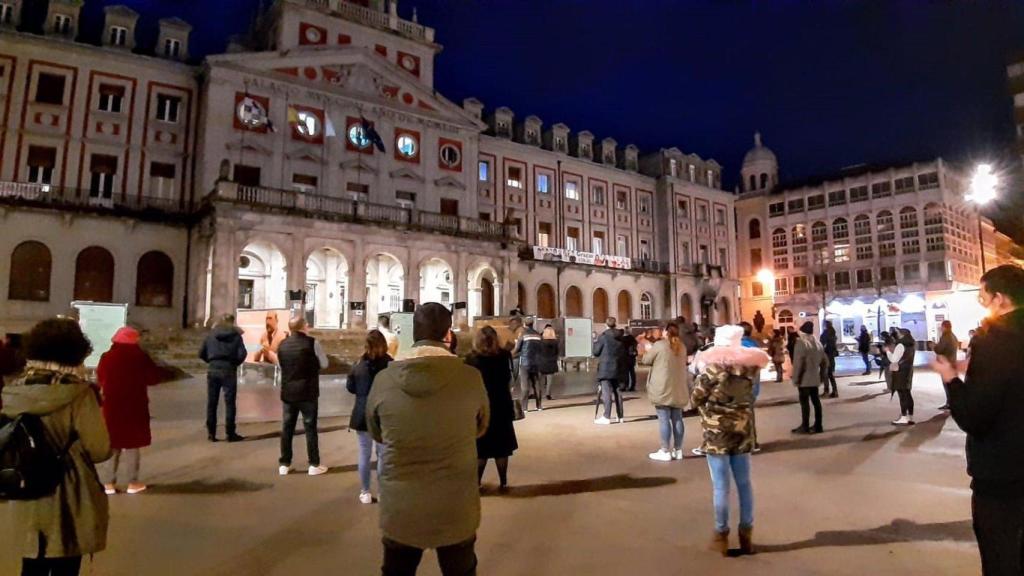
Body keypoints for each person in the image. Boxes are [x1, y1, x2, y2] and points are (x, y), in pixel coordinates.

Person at [367, 302, 489, 576]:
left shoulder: (385, 380)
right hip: (455, 501)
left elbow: (377, 432)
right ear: (448, 334)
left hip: (401, 503)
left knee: (397, 570)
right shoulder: (470, 378)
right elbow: (481, 427)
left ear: (414, 332)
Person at [2, 318, 112, 576]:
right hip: (69, 492)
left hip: (25, 486)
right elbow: (99, 448)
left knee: (32, 562)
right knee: (65, 563)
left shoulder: (14, 390)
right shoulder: (79, 394)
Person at [933, 265, 1024, 576]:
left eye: (983, 298)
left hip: (1003, 474)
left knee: (1002, 557)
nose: (982, 304)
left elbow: (974, 416)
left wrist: (951, 379)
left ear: (1000, 299)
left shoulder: (993, 341)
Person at [690, 324, 769, 557]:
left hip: (717, 433)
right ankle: (746, 536)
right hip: (743, 430)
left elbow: (695, 398)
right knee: (744, 483)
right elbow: (752, 396)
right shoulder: (751, 369)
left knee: (721, 486)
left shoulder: (712, 369)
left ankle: (721, 534)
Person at [96, 327, 164, 496]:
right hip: (135, 405)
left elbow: (100, 378)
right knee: (132, 444)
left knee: (113, 443)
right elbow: (153, 378)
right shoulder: (140, 356)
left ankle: (108, 484)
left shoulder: (107, 357)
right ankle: (133, 483)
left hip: (112, 405)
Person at [277, 316, 329, 476]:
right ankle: (314, 464)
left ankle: (284, 464)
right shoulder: (312, 343)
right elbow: (324, 364)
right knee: (310, 427)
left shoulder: (282, 344)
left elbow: (281, 365)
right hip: (308, 391)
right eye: (306, 324)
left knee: (287, 427)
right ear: (302, 327)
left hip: (288, 392)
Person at [467, 326, 518, 489]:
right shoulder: (504, 355)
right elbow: (509, 378)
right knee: (501, 447)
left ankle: (477, 482)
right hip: (502, 404)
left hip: (480, 405)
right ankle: (503, 482)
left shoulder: (472, 359)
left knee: (481, 447)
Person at [347, 330, 393, 504]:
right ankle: (382, 492)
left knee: (364, 454)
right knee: (382, 454)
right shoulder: (389, 364)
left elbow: (350, 387)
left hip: (361, 413)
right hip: (381, 413)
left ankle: (365, 492)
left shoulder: (359, 364)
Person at [639, 321, 690, 461]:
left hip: (662, 387)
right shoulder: (682, 346)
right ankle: (678, 450)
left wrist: (647, 349)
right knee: (677, 418)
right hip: (678, 387)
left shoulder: (660, 345)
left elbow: (646, 360)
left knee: (663, 419)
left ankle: (665, 450)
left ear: (666, 332)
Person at [199, 314, 248, 442]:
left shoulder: (211, 335)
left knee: (212, 402)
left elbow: (201, 353)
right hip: (229, 369)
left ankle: (211, 433)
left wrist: (211, 361)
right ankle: (230, 433)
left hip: (213, 368)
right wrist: (234, 363)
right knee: (230, 402)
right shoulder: (236, 336)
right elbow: (242, 353)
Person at [791, 321, 827, 434]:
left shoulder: (801, 343)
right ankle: (818, 425)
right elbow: (825, 362)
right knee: (816, 402)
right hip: (815, 377)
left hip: (804, 379)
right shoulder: (818, 343)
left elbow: (799, 363)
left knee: (805, 403)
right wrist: (822, 376)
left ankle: (805, 426)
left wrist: (796, 378)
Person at [593, 317, 627, 425]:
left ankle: (606, 416)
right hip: (618, 367)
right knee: (617, 392)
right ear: (615, 324)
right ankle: (620, 416)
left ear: (606, 325)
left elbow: (596, 352)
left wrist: (595, 342)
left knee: (606, 392)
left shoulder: (603, 337)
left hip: (606, 368)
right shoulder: (621, 337)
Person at [512, 317, 543, 412]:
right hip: (537, 362)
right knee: (537, 384)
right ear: (532, 324)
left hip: (525, 362)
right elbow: (541, 349)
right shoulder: (538, 335)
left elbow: (517, 349)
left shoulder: (523, 334)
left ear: (524, 324)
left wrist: (510, 354)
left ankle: (524, 407)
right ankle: (539, 406)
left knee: (525, 385)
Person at [886, 328, 917, 425]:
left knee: (902, 394)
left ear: (902, 334)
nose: (898, 334)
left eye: (899, 333)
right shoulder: (911, 344)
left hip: (900, 372)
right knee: (907, 394)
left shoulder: (901, 345)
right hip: (908, 371)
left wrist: (887, 351)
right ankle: (910, 417)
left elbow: (893, 359)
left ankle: (903, 416)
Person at [932, 320, 959, 411]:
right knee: (951, 385)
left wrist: (934, 346)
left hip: (946, 364)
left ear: (944, 327)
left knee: (948, 385)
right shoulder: (953, 336)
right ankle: (953, 403)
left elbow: (939, 349)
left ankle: (950, 403)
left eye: (942, 327)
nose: (941, 328)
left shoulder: (945, 337)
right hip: (952, 363)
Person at [538, 325, 560, 401]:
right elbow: (557, 352)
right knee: (549, 380)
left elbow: (538, 352)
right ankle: (548, 394)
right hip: (551, 362)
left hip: (542, 362)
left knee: (539, 380)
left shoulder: (541, 342)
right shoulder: (555, 342)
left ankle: (538, 393)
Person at [820, 320, 839, 398]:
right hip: (831, 356)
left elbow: (822, 343)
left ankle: (826, 391)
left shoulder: (826, 333)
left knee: (825, 374)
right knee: (830, 374)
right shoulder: (833, 333)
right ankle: (835, 391)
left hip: (827, 355)